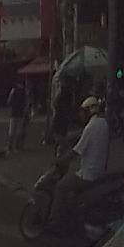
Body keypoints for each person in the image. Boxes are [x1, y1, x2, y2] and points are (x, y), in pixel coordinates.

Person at [48, 97, 109, 232]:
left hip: (88, 174)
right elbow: (83, 137)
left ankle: (55, 222)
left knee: (60, 187)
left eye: (83, 112)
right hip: (100, 170)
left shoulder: (90, 127)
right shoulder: (103, 123)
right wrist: (68, 139)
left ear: (89, 111)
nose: (81, 115)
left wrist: (59, 161)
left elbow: (76, 152)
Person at [7, 80, 28, 153]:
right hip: (21, 112)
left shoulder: (14, 90)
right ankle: (17, 146)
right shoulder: (24, 92)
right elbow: (26, 102)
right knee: (19, 130)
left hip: (14, 112)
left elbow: (9, 101)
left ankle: (10, 146)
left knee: (12, 130)